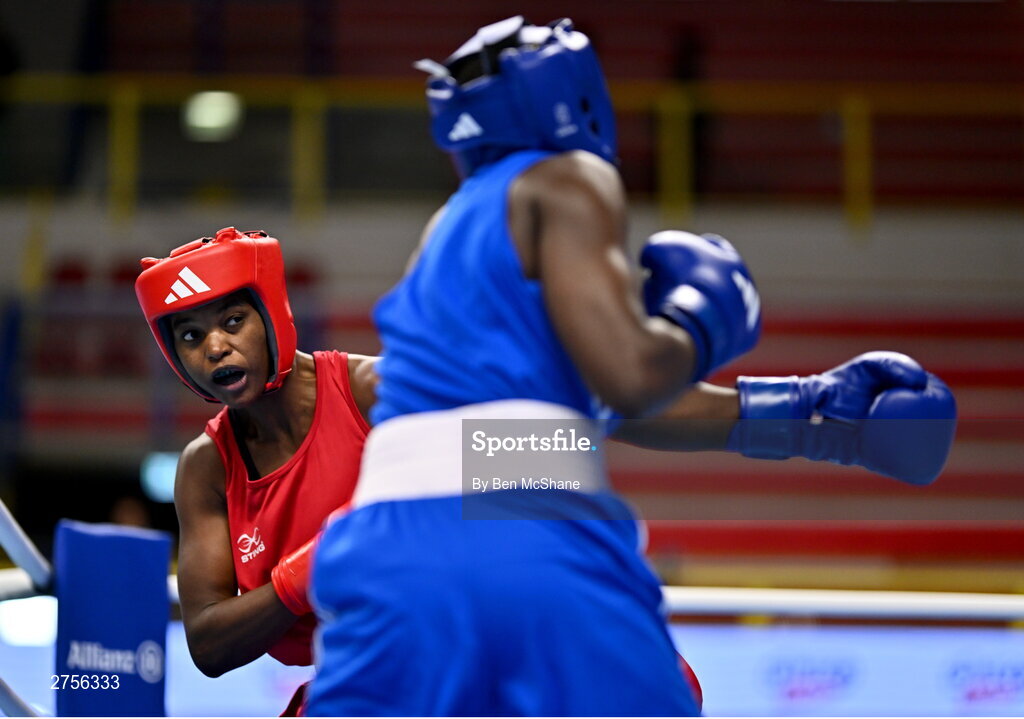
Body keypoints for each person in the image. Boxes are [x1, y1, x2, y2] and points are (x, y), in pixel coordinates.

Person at [306, 16, 956, 717]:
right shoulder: (566, 178)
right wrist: (699, 322)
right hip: (524, 530)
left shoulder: (445, 235)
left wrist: (810, 415)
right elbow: (633, 375)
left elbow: (548, 421)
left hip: (382, 543)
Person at [134, 227, 376, 715]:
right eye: (190, 335)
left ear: (270, 316)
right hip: (351, 687)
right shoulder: (206, 467)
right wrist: (303, 575)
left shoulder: (374, 391)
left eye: (233, 320)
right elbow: (207, 644)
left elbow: (547, 474)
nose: (215, 347)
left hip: (463, 657)